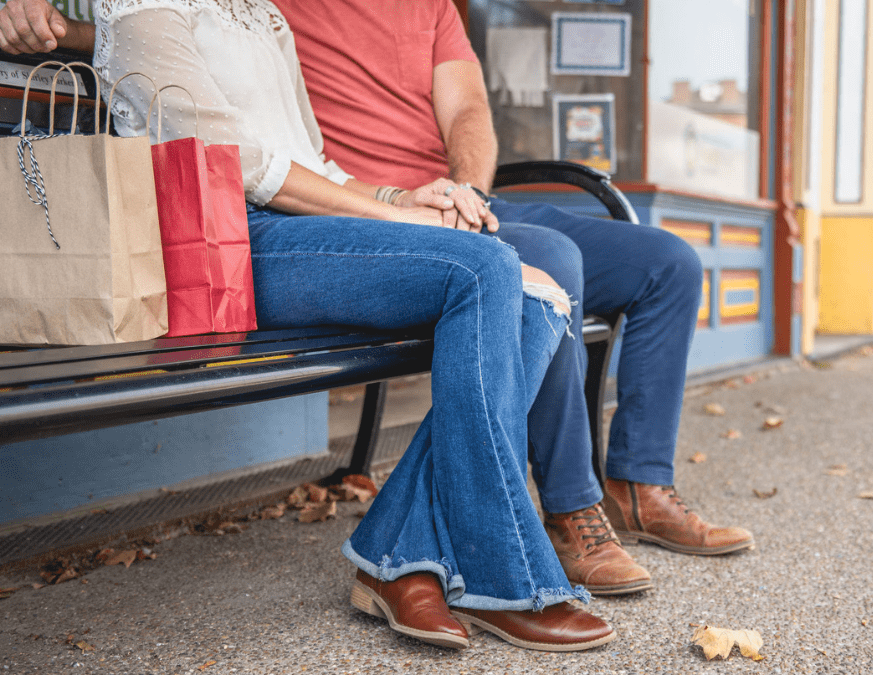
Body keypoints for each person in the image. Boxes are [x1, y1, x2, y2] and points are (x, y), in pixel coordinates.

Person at [0, 0, 755, 596]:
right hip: (330, 217)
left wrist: (464, 193)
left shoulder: (394, 10)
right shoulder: (280, 8)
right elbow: (146, 41)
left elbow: (467, 113)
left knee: (669, 263)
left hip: (437, 200)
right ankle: (564, 508)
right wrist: (45, 19)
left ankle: (636, 485)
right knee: (534, 267)